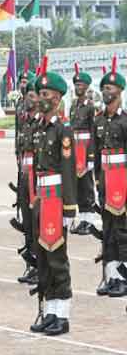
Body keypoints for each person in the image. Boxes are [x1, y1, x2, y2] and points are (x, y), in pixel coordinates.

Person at [29, 59, 77, 336]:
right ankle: (50, 311)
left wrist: (70, 208)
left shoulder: (63, 129)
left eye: (46, 94)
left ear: (57, 98)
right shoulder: (39, 128)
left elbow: (68, 170)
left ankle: (62, 315)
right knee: (43, 257)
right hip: (42, 198)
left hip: (57, 198)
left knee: (57, 255)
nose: (41, 98)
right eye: (40, 94)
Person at [93, 58, 127, 298]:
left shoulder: (125, 121)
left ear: (120, 92)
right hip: (106, 181)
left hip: (122, 182)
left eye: (110, 88)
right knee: (108, 230)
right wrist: (97, 181)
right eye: (104, 88)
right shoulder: (99, 120)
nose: (106, 91)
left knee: (123, 231)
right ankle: (113, 276)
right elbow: (96, 154)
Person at [15, 73, 41, 285]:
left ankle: (40, 266)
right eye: (28, 95)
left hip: (36, 178)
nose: (29, 99)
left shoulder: (41, 123)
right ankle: (31, 264)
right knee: (28, 224)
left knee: (37, 222)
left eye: (33, 95)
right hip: (25, 176)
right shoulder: (25, 121)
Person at [69, 64, 96, 235]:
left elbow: (93, 132)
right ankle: (82, 219)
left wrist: (91, 156)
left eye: (81, 85)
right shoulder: (73, 106)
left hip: (85, 150)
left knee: (87, 186)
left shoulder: (90, 106)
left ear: (87, 87)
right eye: (76, 84)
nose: (78, 87)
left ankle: (90, 221)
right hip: (75, 149)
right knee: (78, 186)